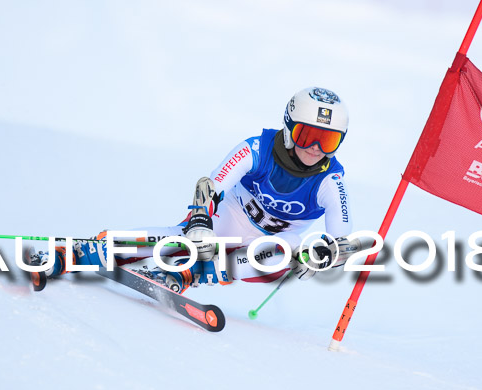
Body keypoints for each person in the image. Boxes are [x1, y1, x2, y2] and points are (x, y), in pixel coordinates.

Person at [36, 87, 358, 292]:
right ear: (289, 129)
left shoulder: (332, 179)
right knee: (184, 240)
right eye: (307, 136)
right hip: (231, 217)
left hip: (269, 247)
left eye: (328, 140)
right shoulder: (257, 148)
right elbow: (212, 185)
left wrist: (325, 255)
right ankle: (84, 251)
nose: (316, 148)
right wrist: (201, 221)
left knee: (290, 248)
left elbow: (341, 240)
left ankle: (190, 275)